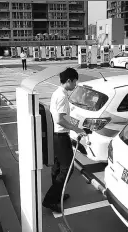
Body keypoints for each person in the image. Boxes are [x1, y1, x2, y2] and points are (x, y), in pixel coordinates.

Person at [42, 68, 89, 213]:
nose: (76, 85)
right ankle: (50, 200)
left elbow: (62, 116)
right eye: (75, 82)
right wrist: (77, 130)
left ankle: (57, 195)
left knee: (57, 166)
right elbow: (59, 119)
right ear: (69, 80)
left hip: (55, 135)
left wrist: (79, 124)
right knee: (68, 168)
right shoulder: (62, 96)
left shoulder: (58, 93)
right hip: (61, 136)